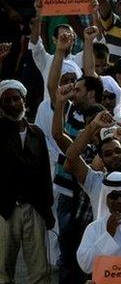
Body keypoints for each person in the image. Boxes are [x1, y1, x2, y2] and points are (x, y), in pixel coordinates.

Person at [0, 80, 54, 284]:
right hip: (5, 210)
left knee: (40, 272)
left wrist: (47, 211)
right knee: (3, 270)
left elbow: (44, 173)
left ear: (24, 101)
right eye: (7, 100)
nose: (13, 104)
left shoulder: (36, 134)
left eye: (16, 99)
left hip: (34, 208)